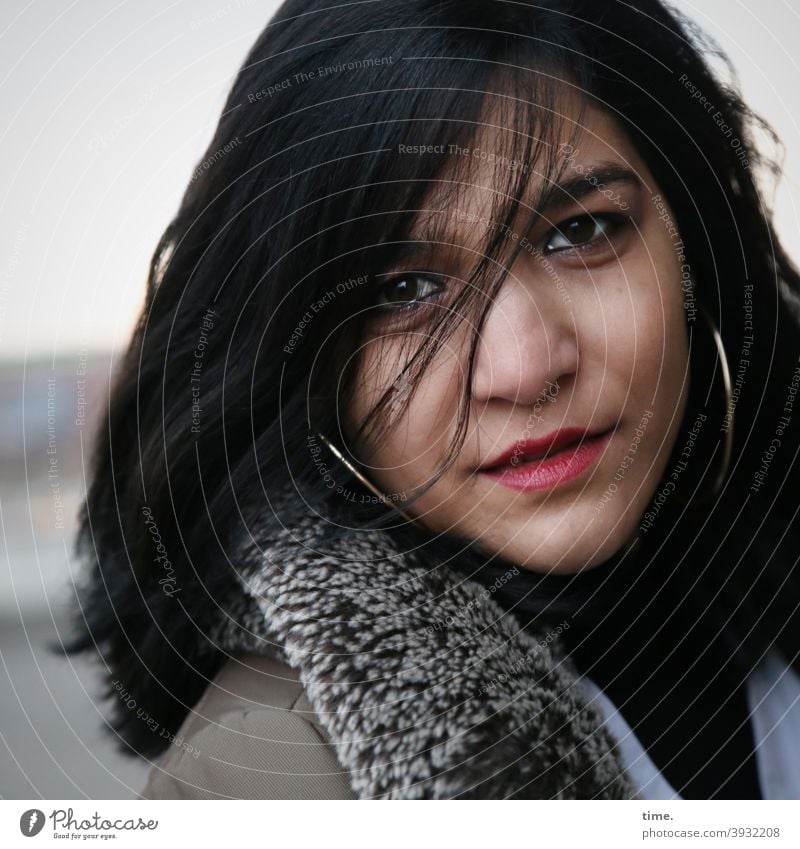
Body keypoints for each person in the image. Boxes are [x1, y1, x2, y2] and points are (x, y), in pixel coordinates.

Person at [70, 0, 800, 799]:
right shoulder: (273, 777)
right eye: (406, 287)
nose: (523, 368)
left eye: (581, 232)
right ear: (302, 359)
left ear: (697, 241)